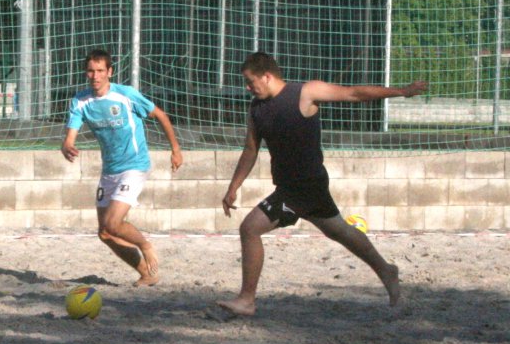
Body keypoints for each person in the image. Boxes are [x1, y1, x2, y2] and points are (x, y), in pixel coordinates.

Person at [218, 52, 428, 316]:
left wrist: (401, 91)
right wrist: (233, 187)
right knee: (340, 231)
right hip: (293, 187)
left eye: (250, 81)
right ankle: (387, 271)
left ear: (267, 76)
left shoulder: (306, 93)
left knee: (250, 229)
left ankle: (247, 299)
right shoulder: (256, 109)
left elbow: (355, 93)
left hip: (304, 187)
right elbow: (250, 150)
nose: (247, 88)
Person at [61, 48, 183, 286]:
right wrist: (67, 144)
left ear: (109, 72)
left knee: (114, 223)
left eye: (99, 71)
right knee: (105, 233)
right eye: (90, 71)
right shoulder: (80, 101)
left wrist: (176, 149)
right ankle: (147, 273)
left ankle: (145, 245)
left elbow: (161, 115)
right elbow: (70, 135)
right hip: (109, 171)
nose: (95, 76)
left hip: (135, 166)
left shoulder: (125, 95)